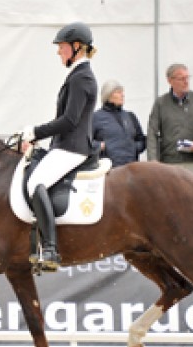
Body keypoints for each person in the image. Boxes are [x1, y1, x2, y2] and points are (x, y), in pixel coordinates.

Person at [19, 22, 98, 269]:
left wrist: (35, 131)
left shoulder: (81, 77)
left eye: (62, 47)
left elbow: (69, 120)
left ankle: (51, 249)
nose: (58, 52)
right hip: (64, 145)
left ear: (76, 47)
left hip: (72, 148)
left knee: (34, 183)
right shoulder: (77, 75)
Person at [146, 63, 193, 176]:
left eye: (187, 77)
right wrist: (153, 161)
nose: (186, 81)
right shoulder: (160, 103)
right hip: (170, 162)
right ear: (170, 80)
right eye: (182, 78)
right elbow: (152, 132)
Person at [92, 79, 145, 167]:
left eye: (122, 92)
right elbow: (85, 142)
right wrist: (100, 146)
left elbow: (142, 140)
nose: (122, 95)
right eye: (118, 92)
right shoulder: (95, 117)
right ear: (108, 95)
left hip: (131, 169)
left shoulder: (130, 116)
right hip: (108, 171)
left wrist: (134, 148)